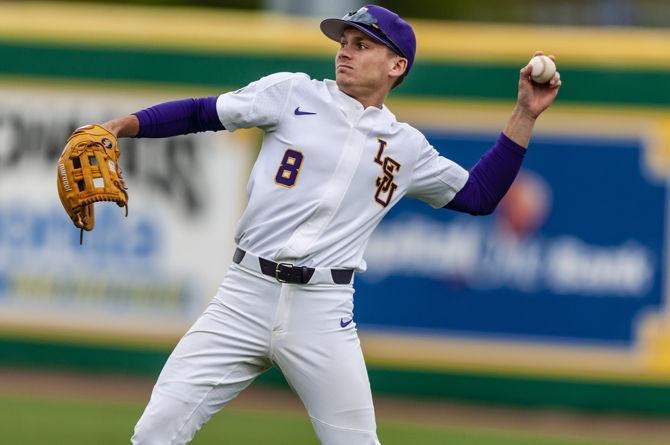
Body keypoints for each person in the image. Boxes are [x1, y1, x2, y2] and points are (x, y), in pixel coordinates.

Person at [101, 5, 560, 444]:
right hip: (242, 296)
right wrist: (123, 125)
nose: (345, 50)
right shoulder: (290, 93)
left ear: (396, 65)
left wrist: (525, 113)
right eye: (345, 41)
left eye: (363, 44)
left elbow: (480, 196)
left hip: (322, 310)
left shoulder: (407, 147)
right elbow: (204, 111)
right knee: (154, 433)